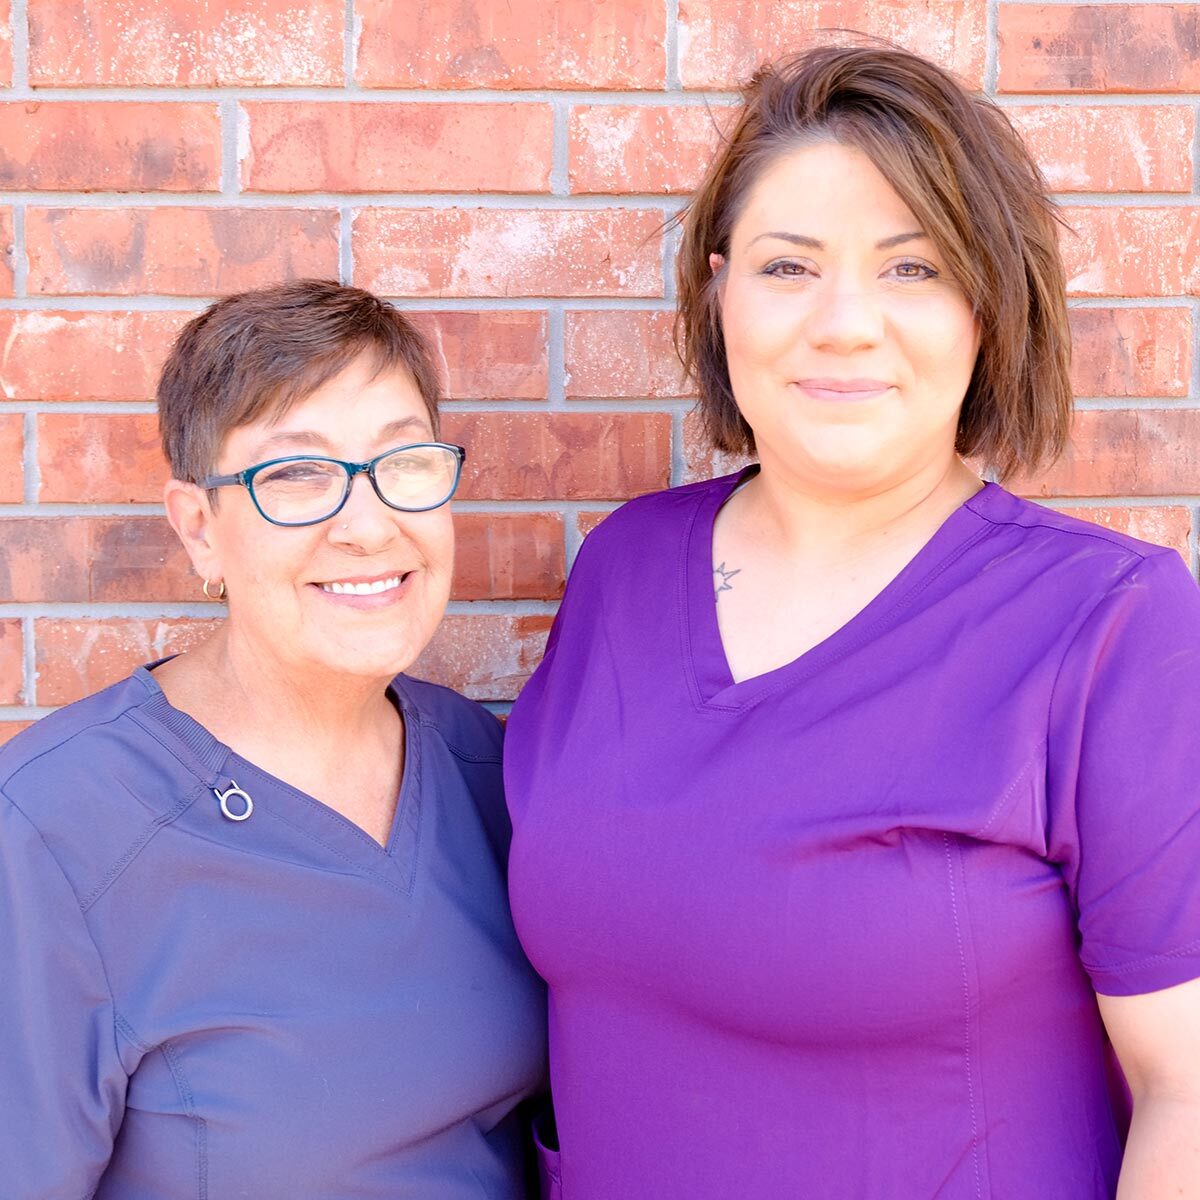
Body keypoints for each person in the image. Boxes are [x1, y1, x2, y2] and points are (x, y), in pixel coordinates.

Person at [503, 45, 1200, 1199]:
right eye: (788, 266)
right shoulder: (624, 570)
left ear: (991, 307)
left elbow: (1189, 1090)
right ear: (719, 290)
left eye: (913, 269)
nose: (844, 324)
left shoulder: (1111, 624)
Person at [0, 280, 547, 1198]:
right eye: (296, 475)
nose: (368, 525)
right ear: (200, 529)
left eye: (403, 461)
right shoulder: (57, 826)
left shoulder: (488, 773)